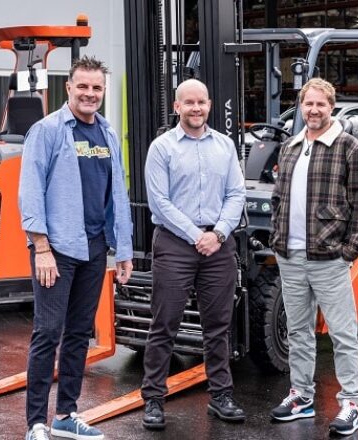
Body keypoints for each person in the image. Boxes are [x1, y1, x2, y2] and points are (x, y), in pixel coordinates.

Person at [19, 55, 133, 440]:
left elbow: (117, 192)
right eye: (82, 86)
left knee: (79, 332)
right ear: (68, 87)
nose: (90, 94)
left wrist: (124, 250)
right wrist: (41, 247)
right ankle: (35, 422)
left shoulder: (107, 133)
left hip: (95, 248)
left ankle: (65, 415)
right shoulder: (47, 130)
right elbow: (30, 191)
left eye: (96, 88)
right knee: (48, 331)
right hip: (58, 248)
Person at [268, 78, 358, 436]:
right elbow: (279, 199)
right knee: (298, 331)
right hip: (290, 255)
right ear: (301, 106)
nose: (314, 110)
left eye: (321, 105)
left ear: (332, 107)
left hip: (328, 257)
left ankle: (350, 404)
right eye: (308, 104)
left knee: (343, 334)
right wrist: (277, 237)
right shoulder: (290, 147)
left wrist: (350, 250)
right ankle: (302, 396)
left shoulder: (349, 148)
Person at [140, 78, 246, 430]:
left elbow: (236, 194)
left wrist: (217, 233)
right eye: (189, 103)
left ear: (210, 105)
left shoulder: (225, 146)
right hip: (174, 243)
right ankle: (154, 399)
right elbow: (159, 201)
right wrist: (195, 235)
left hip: (218, 243)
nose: (196, 108)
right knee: (164, 324)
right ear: (177, 107)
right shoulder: (162, 148)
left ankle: (221, 396)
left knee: (217, 327)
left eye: (201, 102)